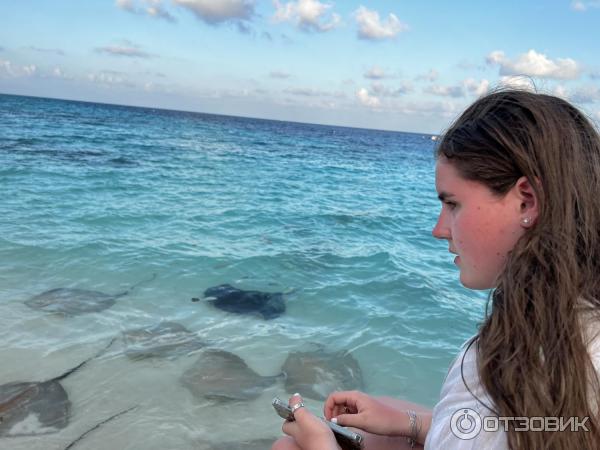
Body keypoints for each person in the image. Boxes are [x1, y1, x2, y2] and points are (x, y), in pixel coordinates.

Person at [271, 89, 600, 450]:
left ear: (527, 200)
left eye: (453, 204)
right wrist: (409, 424)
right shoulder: (557, 326)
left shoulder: (546, 360)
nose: (439, 229)